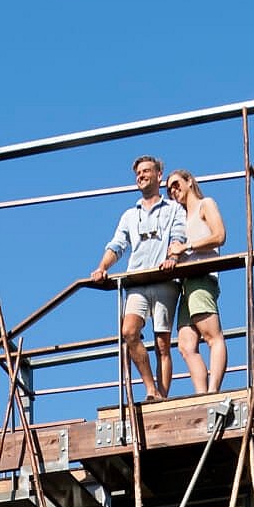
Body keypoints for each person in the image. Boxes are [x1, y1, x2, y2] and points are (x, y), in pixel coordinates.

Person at [92, 153, 185, 400]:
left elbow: (178, 237)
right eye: (138, 173)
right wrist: (102, 267)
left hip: (164, 279)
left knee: (163, 343)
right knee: (129, 332)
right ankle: (150, 388)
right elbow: (117, 245)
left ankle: (162, 395)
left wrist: (172, 258)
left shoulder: (174, 209)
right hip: (137, 281)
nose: (141, 176)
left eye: (146, 171)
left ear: (158, 175)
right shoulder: (130, 215)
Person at [167, 169, 228, 394]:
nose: (173, 191)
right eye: (169, 189)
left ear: (189, 181)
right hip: (185, 281)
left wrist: (187, 246)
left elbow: (219, 235)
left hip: (202, 277)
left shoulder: (205, 204)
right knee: (185, 345)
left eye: (175, 184)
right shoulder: (180, 219)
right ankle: (201, 394)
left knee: (212, 336)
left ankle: (213, 391)